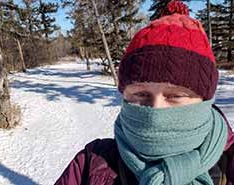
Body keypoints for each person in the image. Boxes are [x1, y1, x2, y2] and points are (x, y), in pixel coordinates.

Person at [55, 1, 234, 185]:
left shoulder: (229, 164)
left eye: (175, 96)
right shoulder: (90, 164)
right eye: (141, 94)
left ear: (205, 101)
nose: (155, 110)